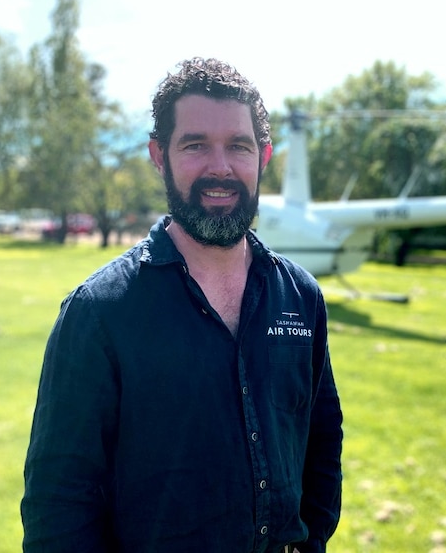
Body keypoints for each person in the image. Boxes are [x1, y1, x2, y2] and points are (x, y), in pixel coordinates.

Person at [21, 57, 343, 553]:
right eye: (195, 145)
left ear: (264, 156)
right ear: (159, 155)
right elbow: (58, 502)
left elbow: (322, 444)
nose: (220, 167)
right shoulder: (100, 313)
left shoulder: (300, 299)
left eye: (238, 146)